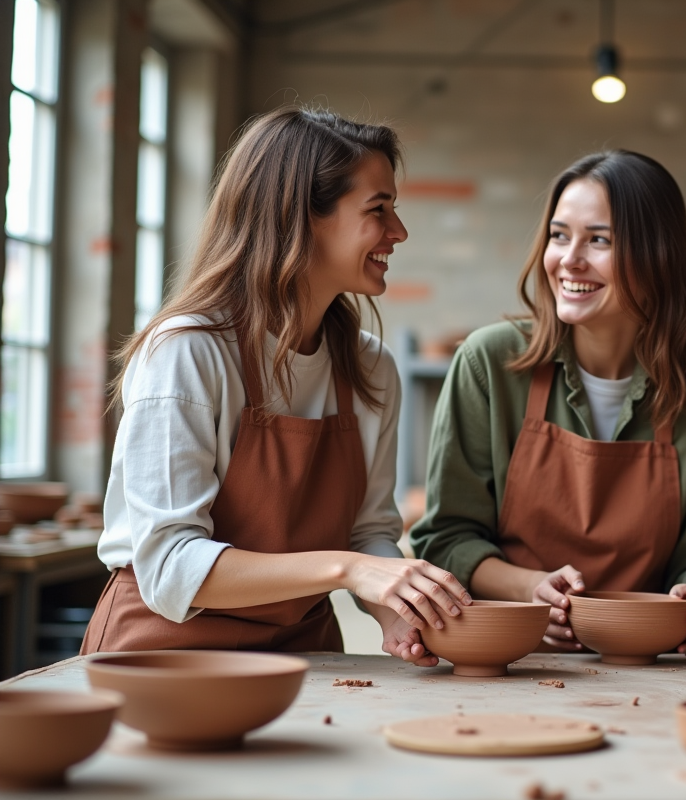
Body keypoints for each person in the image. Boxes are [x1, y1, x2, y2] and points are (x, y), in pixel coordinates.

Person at [81, 107, 470, 656]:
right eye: (378, 210)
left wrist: (395, 613)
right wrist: (351, 569)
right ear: (301, 217)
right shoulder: (188, 351)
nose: (398, 232)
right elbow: (170, 565)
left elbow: (368, 534)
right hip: (164, 654)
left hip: (303, 653)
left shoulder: (370, 369)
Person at [402, 151, 686, 664]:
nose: (569, 259)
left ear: (658, 255)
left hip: (650, 673)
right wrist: (530, 590)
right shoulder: (489, 364)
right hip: (508, 662)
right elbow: (443, 540)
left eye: (600, 239)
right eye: (559, 234)